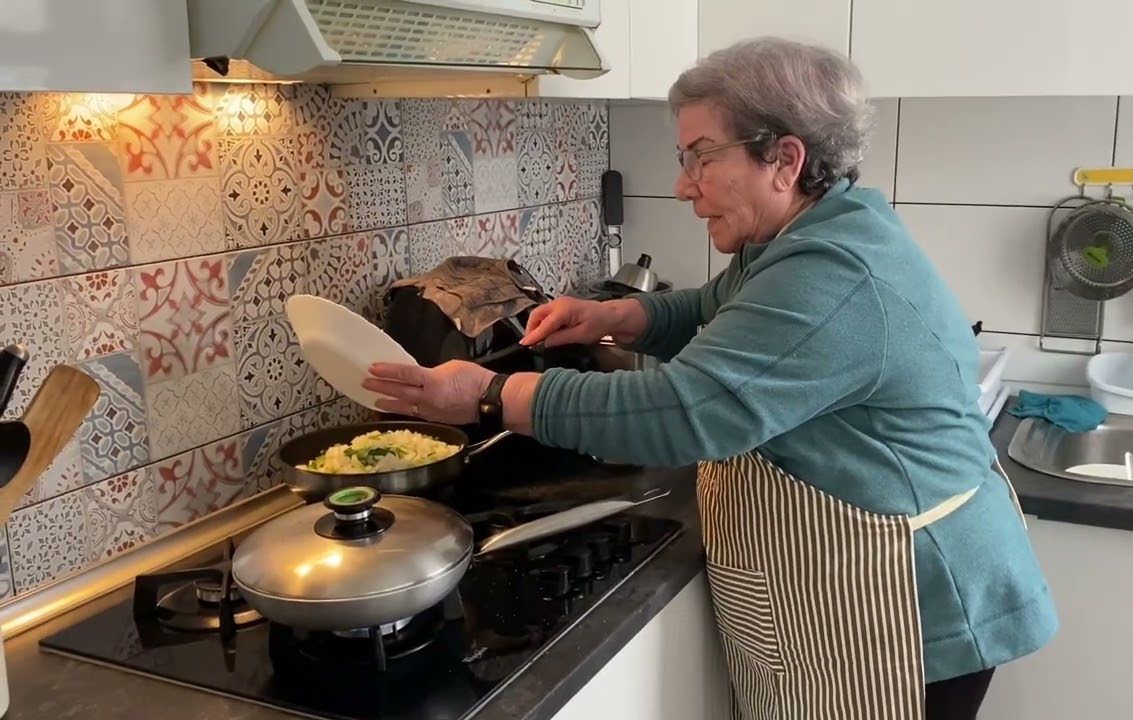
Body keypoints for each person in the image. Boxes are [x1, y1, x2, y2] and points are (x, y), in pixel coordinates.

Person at [363, 36, 1058, 720]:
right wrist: (617, 316)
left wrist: (490, 394)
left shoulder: (832, 272)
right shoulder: (808, 233)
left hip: (910, 608)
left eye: (702, 157)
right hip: (865, 582)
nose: (682, 184)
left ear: (785, 160)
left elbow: (684, 412)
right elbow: (715, 305)